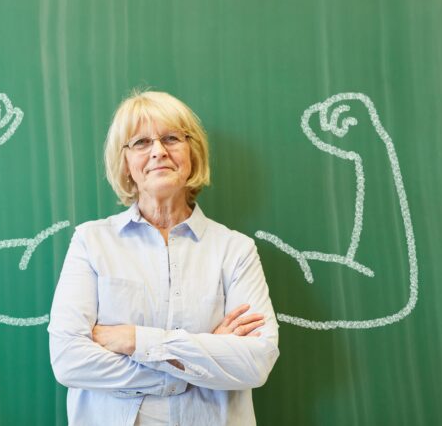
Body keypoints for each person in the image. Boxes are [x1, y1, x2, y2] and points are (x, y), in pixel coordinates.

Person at [48, 90, 279, 426]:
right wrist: (198, 361)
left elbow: (256, 362)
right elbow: (69, 360)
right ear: (125, 163)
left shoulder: (235, 250)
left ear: (192, 153)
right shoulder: (91, 242)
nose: (158, 151)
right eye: (141, 142)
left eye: (171, 138)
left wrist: (136, 340)